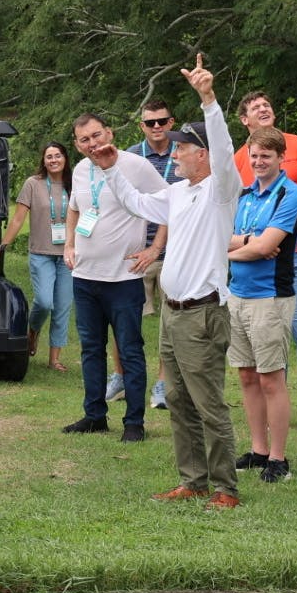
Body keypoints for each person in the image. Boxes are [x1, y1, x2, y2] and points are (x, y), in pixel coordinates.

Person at [92, 54, 243, 509]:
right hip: (173, 315)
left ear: (203, 155)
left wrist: (208, 99)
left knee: (208, 403)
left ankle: (225, 488)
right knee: (178, 400)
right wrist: (110, 168)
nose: (174, 154)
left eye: (182, 149)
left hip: (202, 313)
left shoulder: (221, 190)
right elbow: (137, 203)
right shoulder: (178, 192)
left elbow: (223, 146)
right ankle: (192, 480)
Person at [234, 91, 297, 438]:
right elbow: (236, 212)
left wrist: (285, 232)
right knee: (268, 337)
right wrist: (254, 243)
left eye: (267, 104)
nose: (264, 108)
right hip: (258, 261)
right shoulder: (240, 159)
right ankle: (275, 410)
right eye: (255, 107)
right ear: (244, 120)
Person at [62, 113, 166, 442]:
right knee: (91, 350)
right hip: (85, 276)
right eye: (85, 140)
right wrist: (69, 244)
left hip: (124, 278)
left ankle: (134, 422)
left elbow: (169, 205)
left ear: (110, 132)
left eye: (96, 135)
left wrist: (155, 249)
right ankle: (94, 415)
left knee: (130, 350)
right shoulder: (80, 170)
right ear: (77, 145)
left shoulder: (136, 166)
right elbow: (75, 209)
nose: (92, 143)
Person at [228, 127, 297, 484]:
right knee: (246, 376)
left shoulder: (290, 194)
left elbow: (266, 247)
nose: (259, 162)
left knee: (271, 379)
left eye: (266, 156)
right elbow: (222, 238)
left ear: (280, 157)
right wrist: (249, 243)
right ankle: (258, 450)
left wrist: (237, 249)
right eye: (254, 156)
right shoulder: (244, 194)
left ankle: (278, 458)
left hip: (269, 297)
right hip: (237, 294)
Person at [0, 142, 75, 373]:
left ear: (65, 158)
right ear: (44, 160)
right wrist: (4, 243)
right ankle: (33, 329)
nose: (53, 160)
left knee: (62, 307)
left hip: (68, 255)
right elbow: (18, 218)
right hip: (41, 253)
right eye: (49, 156)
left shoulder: (75, 184)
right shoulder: (33, 183)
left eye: (57, 155)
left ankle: (54, 359)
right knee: (44, 302)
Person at [127, 99, 182, 409]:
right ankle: (123, 377)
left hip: (175, 253)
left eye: (162, 121)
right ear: (142, 126)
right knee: (126, 320)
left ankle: (162, 384)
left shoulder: (184, 153)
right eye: (150, 123)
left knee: (170, 324)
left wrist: (158, 246)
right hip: (137, 252)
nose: (157, 126)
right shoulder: (131, 156)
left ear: (171, 122)